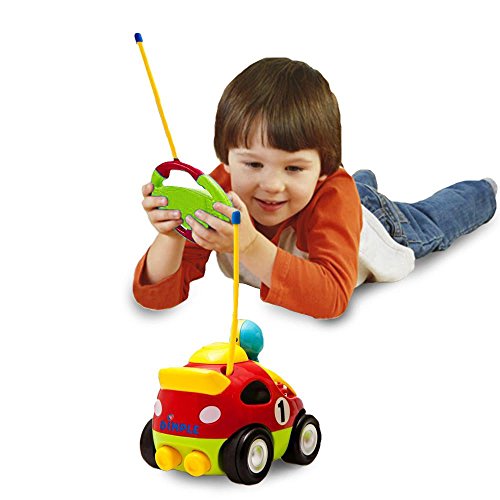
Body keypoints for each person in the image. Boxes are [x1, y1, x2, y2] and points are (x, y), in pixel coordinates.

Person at [133, 58, 497, 319]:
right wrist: (172, 235)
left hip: (374, 227)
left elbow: (332, 298)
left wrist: (249, 245)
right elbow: (156, 298)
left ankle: (486, 190)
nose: (271, 185)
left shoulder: (333, 195)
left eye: (293, 167)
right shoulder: (220, 192)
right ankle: (362, 183)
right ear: (226, 159)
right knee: (355, 190)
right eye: (253, 164)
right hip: (330, 200)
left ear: (323, 168)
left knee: (431, 223)